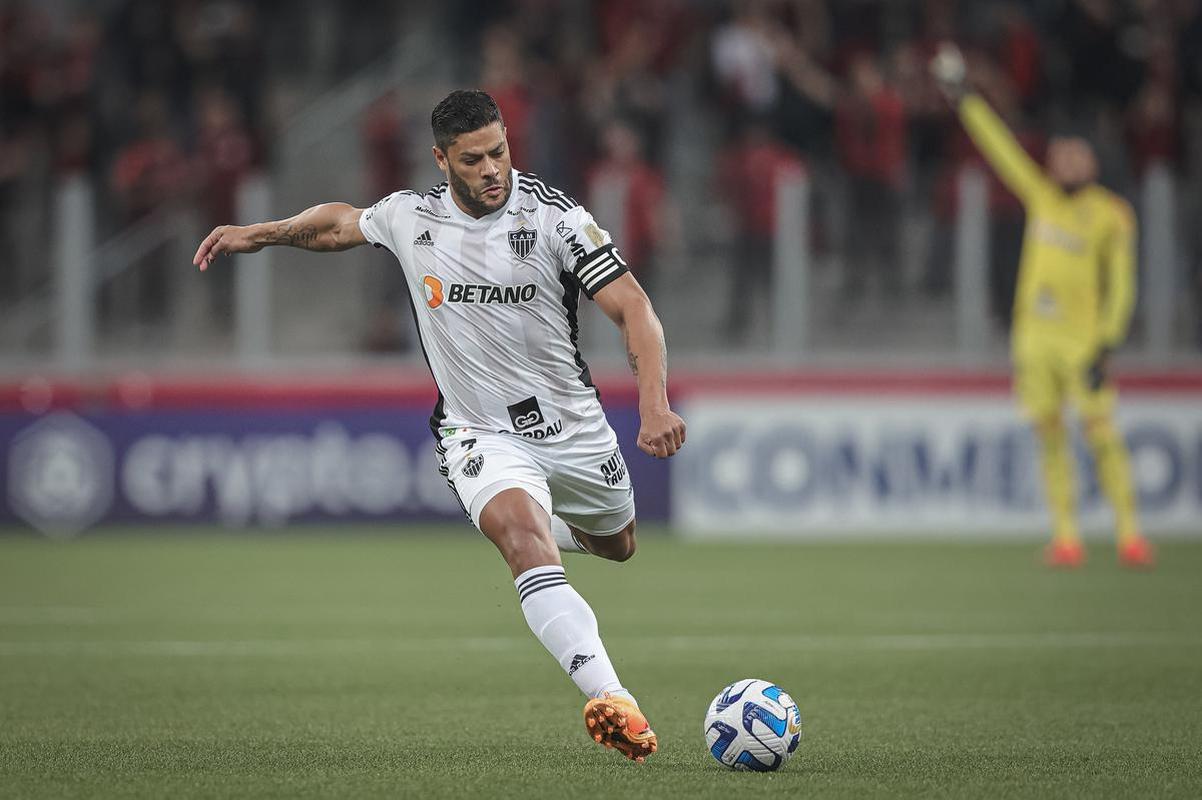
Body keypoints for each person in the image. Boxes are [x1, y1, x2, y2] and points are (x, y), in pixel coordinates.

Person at [192, 90, 685, 760]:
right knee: (520, 539)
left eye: (500, 152)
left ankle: (551, 527)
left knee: (618, 544)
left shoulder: (555, 218)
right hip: (478, 432)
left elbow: (633, 307)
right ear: (442, 159)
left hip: (573, 427)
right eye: (474, 159)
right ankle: (611, 697)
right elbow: (341, 223)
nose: (493, 170)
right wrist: (263, 232)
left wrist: (653, 403)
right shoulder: (411, 218)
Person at [931, 46, 1153, 569]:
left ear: (1093, 162)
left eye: (1076, 155)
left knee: (1103, 438)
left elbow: (1122, 284)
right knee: (1050, 440)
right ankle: (1067, 539)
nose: (1065, 163)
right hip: (1033, 341)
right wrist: (966, 98)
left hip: (1083, 342)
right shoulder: (1043, 197)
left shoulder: (1111, 216)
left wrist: (1108, 342)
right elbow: (1000, 149)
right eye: (1060, 155)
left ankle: (1130, 536)